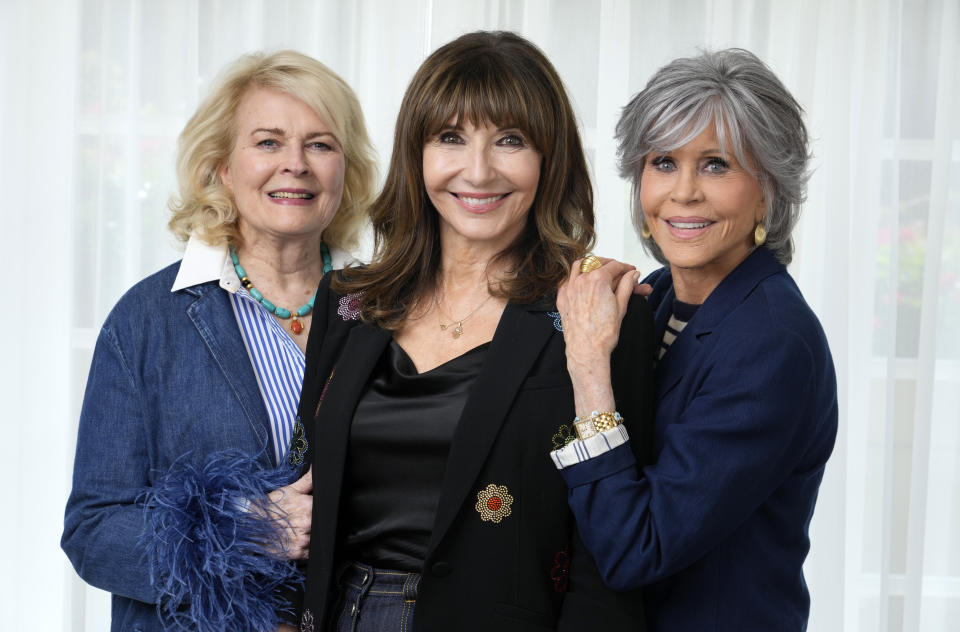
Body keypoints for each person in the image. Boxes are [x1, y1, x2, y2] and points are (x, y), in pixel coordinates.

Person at [293, 31, 653, 631]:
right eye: (451, 137)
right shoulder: (350, 302)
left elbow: (606, 562)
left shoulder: (600, 308)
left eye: (510, 140)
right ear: (418, 153)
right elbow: (304, 494)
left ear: (549, 158)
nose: (478, 171)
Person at [61, 50, 377, 632]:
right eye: (267, 142)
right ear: (223, 168)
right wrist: (241, 529)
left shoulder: (388, 310)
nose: (296, 165)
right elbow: (94, 530)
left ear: (345, 170)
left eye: (321, 144)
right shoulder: (147, 320)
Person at [551, 48, 838, 630]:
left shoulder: (773, 342)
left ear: (769, 189)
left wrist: (587, 365)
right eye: (663, 162)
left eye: (715, 164)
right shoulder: (655, 299)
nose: (683, 192)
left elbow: (638, 549)